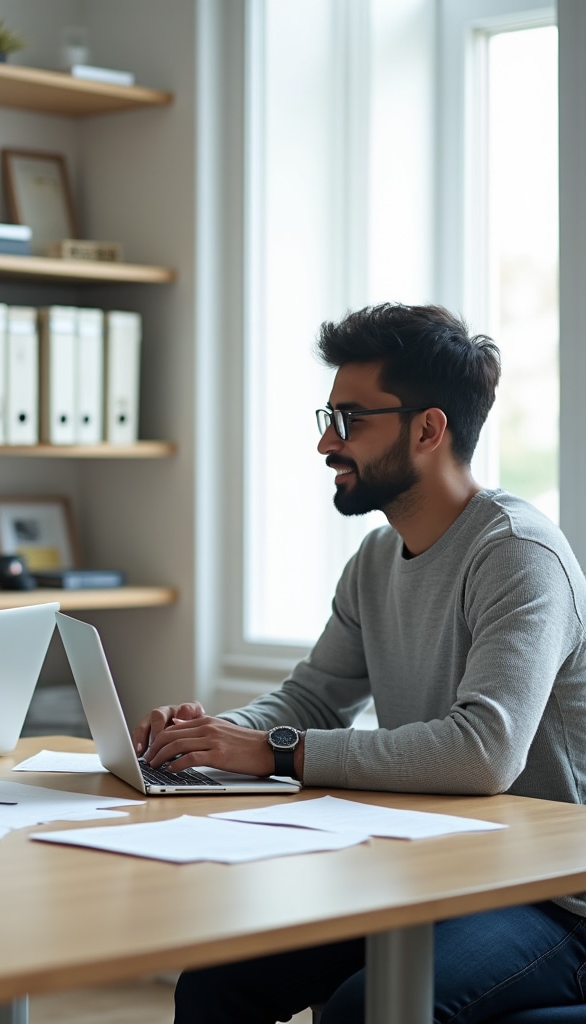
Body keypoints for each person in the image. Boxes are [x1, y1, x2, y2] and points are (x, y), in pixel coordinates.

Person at [132, 304, 586, 1023]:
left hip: (551, 898)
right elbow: (313, 700)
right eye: (328, 416)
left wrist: (272, 754)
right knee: (217, 980)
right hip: (431, 870)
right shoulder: (375, 560)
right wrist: (211, 735)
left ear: (428, 429)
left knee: (363, 1011)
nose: (324, 441)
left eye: (350, 420)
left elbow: (484, 754)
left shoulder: (517, 555)